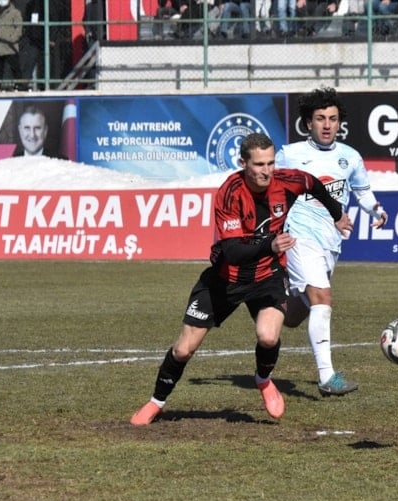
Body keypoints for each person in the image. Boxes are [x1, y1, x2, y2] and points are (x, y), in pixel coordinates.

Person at [130, 133, 353, 426]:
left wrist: (337, 215)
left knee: (268, 336)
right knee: (184, 349)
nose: (267, 171)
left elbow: (313, 184)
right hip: (225, 279)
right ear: (243, 163)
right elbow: (233, 252)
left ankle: (263, 379)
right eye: (259, 164)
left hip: (267, 276)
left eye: (271, 163)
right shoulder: (229, 193)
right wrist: (271, 245)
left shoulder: (287, 180)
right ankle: (156, 402)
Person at [275, 87, 388, 397]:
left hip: (330, 242)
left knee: (295, 315)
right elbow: (266, 187)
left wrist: (376, 210)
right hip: (298, 236)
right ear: (308, 123)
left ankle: (266, 305)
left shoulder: (350, 157)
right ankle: (327, 377)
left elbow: (362, 191)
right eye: (320, 118)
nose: (327, 125)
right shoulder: (289, 154)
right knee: (322, 298)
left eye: (333, 119)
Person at [0, 0, 22, 91]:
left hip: (10, 47)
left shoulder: (15, 12)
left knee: (15, 68)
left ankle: (20, 86)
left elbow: (19, 29)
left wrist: (12, 38)